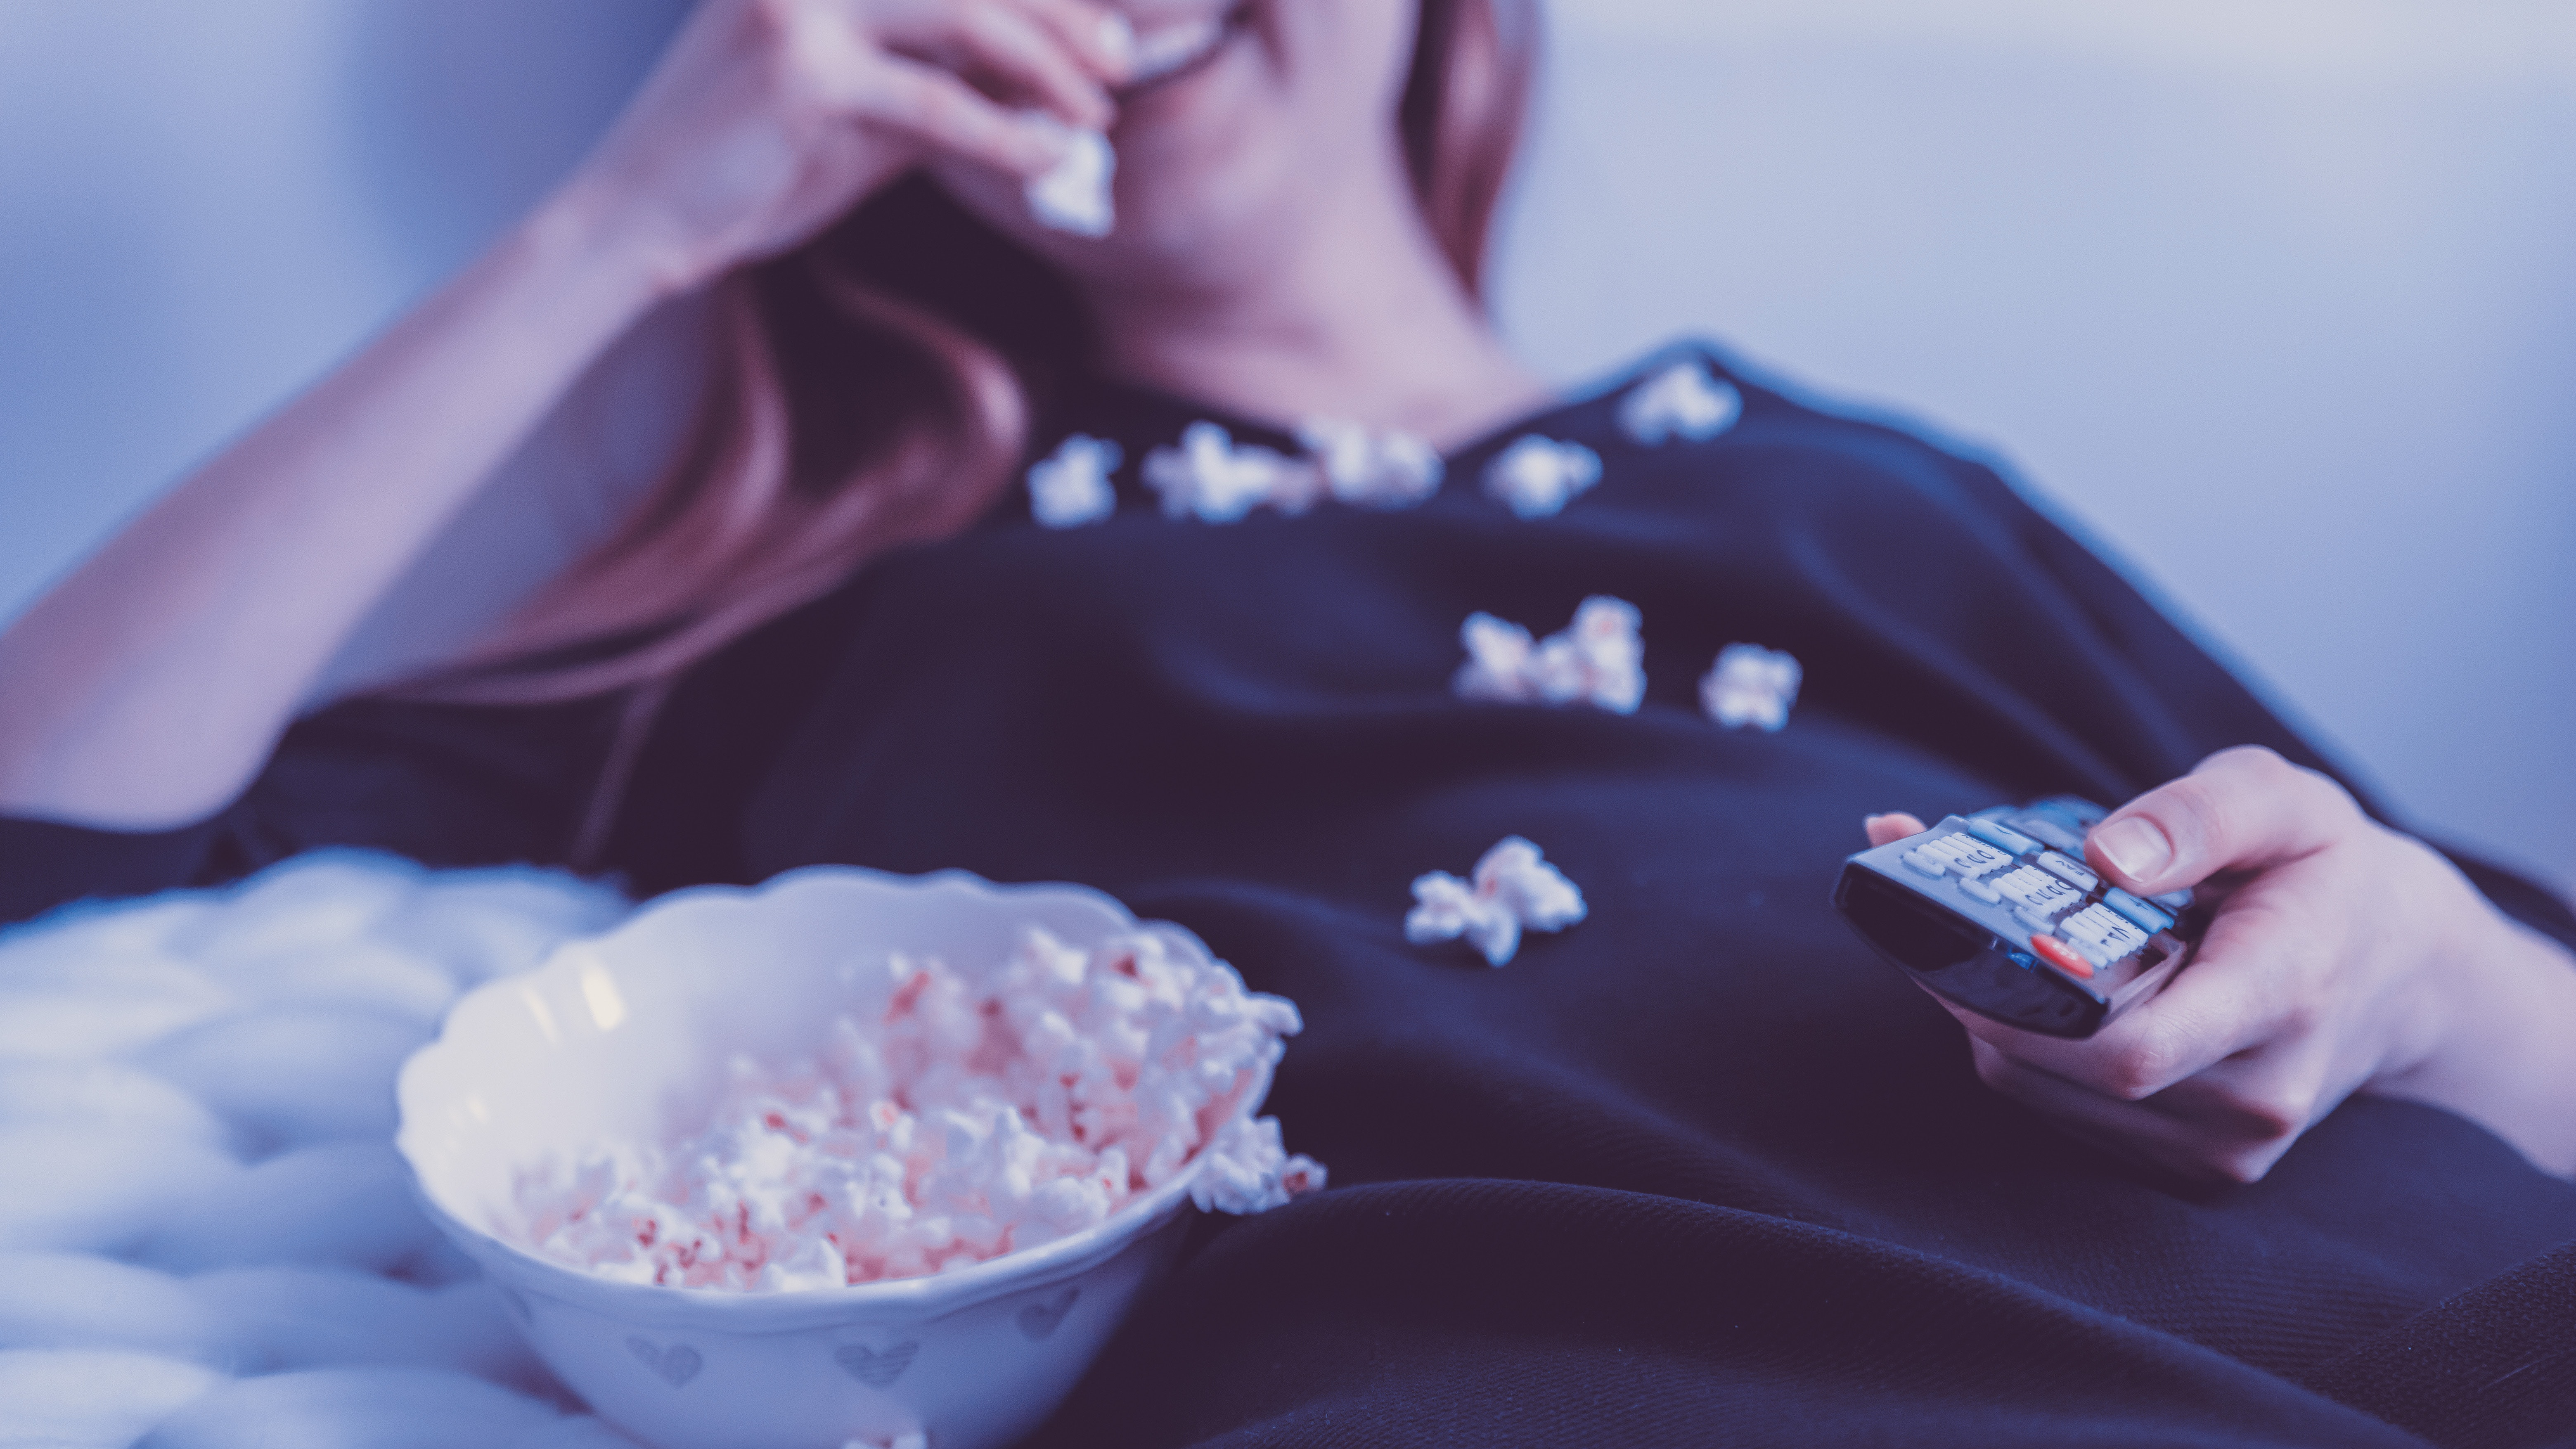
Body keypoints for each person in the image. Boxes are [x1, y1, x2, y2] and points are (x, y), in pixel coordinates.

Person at [2, 1, 2572, 1442]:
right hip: (1564, 1392)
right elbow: (53, 836)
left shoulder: (1853, 490)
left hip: (2409, 1316)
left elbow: (2516, 1023)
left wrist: (2428, 973)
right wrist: (631, 219)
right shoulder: (860, 619)